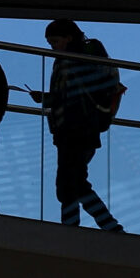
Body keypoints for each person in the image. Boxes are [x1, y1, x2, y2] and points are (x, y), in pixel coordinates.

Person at [27, 19, 124, 231]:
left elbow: (70, 93)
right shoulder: (76, 58)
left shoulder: (74, 58)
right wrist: (47, 97)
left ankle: (84, 227)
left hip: (76, 127)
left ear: (69, 38)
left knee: (70, 183)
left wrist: (49, 98)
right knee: (73, 181)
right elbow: (70, 92)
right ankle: (97, 226)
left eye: (55, 41)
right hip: (77, 128)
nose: (52, 46)